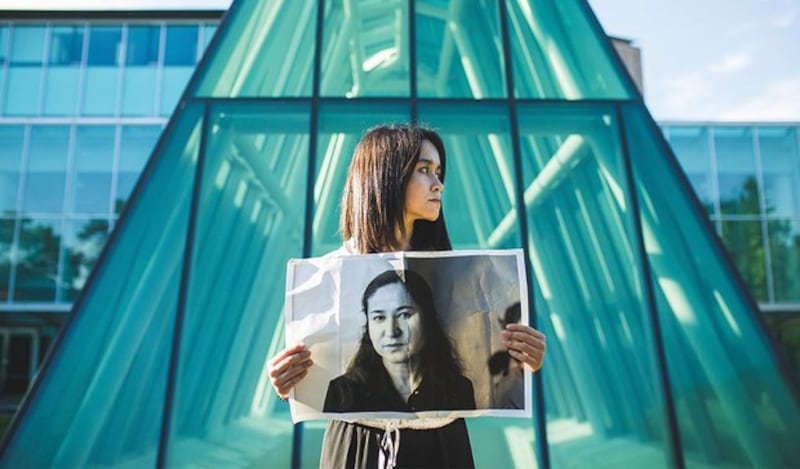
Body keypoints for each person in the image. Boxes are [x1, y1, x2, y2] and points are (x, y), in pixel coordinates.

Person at [269, 123, 547, 468]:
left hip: (442, 448)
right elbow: (313, 376)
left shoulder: (459, 280)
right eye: (425, 170)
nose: (438, 184)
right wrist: (290, 380)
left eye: (439, 171)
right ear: (387, 176)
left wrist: (525, 358)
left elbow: (489, 380)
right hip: (356, 449)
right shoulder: (328, 276)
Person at [323, 269, 476, 413]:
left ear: (428, 318)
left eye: (404, 315)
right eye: (379, 318)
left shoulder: (458, 389)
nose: (391, 331)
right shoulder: (343, 392)